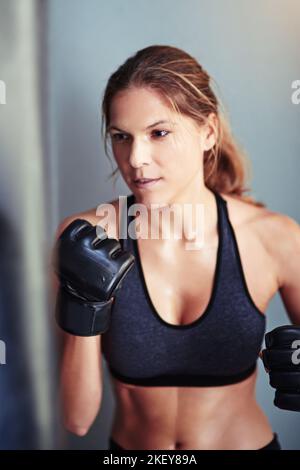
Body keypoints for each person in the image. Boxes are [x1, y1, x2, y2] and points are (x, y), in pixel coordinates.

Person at [52, 45, 300, 450]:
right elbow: (77, 419)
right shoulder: (87, 239)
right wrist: (84, 306)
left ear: (208, 131)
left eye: (159, 133)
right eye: (121, 137)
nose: (136, 158)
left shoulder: (273, 238)